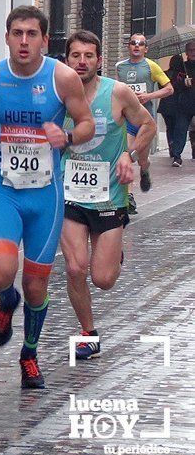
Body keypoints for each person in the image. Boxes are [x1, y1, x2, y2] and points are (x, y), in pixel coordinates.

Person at [0, 6, 94, 389]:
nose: (24, 41)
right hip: (4, 194)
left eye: (31, 34)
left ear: (45, 39)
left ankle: (29, 353)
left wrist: (69, 137)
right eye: (17, 33)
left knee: (37, 286)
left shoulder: (62, 78)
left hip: (46, 198)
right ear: (7, 37)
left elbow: (87, 122)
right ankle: (6, 301)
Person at [60, 31, 155, 360]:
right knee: (75, 269)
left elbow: (148, 125)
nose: (82, 61)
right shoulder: (59, 94)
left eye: (89, 55)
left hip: (110, 196)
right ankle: (87, 332)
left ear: (99, 61)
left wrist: (129, 153)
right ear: (66, 59)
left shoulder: (117, 93)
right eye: (76, 55)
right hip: (69, 194)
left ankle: (113, 257)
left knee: (102, 279)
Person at [114, 33, 172, 198]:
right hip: (127, 118)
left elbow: (169, 88)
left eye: (140, 44)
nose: (136, 46)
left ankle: (145, 170)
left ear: (146, 49)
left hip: (144, 121)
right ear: (129, 47)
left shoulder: (151, 66)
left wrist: (148, 96)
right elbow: (117, 89)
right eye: (133, 43)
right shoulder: (120, 66)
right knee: (128, 154)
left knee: (141, 158)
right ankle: (129, 196)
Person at [163, 44, 195, 165]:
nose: (193, 52)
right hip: (184, 104)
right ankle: (177, 156)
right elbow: (174, 84)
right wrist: (182, 83)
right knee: (180, 130)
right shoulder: (182, 68)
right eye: (190, 50)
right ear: (186, 52)